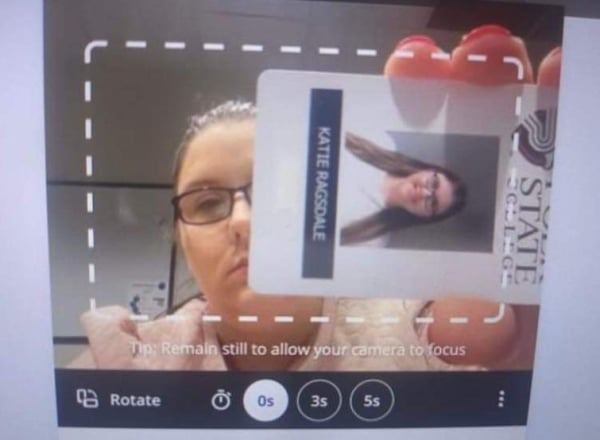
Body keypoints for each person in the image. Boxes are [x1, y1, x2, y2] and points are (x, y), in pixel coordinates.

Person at [70, 24, 559, 371]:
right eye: (207, 204)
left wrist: (547, 380)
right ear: (179, 237)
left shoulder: (427, 333)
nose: (241, 220)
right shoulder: (125, 360)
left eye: (270, 190)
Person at [341, 132, 467, 245]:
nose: (424, 192)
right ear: (428, 170)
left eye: (433, 203)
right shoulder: (381, 141)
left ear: (425, 217)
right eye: (433, 183)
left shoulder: (372, 239)